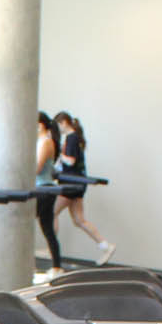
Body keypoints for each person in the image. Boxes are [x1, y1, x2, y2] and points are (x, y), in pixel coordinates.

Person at [49, 111, 113, 263]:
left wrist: (57, 154)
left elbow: (70, 161)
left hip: (71, 184)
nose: (59, 130)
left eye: (58, 126)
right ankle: (105, 245)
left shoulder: (71, 138)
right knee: (79, 220)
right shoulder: (75, 138)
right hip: (79, 184)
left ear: (64, 122)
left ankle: (52, 248)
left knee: (51, 213)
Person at [32, 114, 65, 267]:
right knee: (48, 229)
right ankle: (56, 266)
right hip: (42, 187)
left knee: (37, 226)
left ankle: (56, 267)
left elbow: (38, 168)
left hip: (44, 188)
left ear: (41, 125)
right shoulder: (40, 142)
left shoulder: (45, 142)